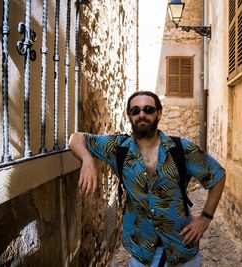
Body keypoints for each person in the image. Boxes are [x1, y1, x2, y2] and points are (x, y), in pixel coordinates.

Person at [69, 91, 226, 267]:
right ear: (129, 116)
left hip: (181, 249)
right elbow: (76, 138)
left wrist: (205, 218)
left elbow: (218, 175)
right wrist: (87, 159)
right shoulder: (118, 148)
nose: (141, 114)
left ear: (158, 113)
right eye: (135, 111)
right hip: (142, 253)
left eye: (148, 109)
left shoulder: (181, 149)